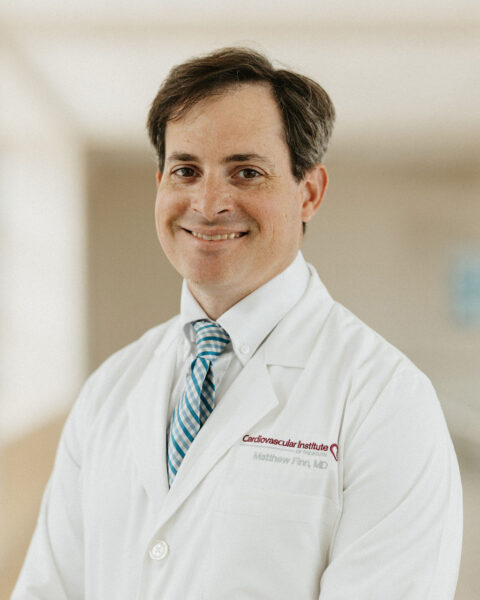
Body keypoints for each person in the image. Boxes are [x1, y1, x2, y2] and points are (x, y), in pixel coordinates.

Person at [13, 47, 462, 600]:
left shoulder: (386, 401)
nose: (208, 202)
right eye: (186, 170)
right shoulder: (110, 389)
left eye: (246, 172)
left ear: (310, 192)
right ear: (160, 184)